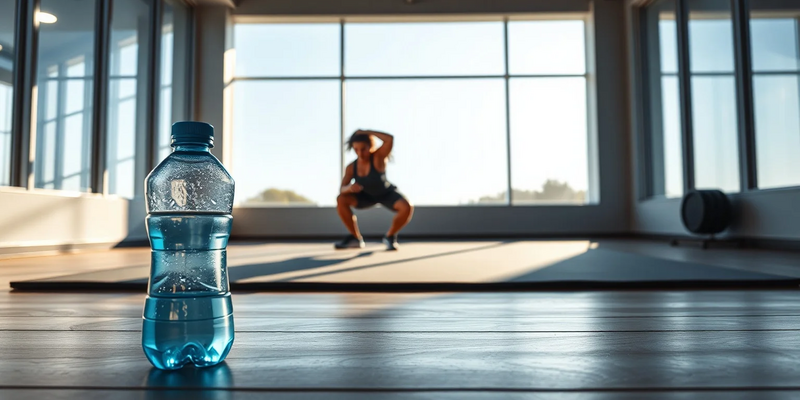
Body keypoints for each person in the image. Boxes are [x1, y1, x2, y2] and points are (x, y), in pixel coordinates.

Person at [335, 129, 414, 251]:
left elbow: (389, 139)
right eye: (356, 150)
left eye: (363, 149)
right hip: (365, 197)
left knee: (406, 207)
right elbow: (342, 189)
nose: (360, 153)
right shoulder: (351, 167)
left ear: (371, 146)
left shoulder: (378, 157)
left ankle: (390, 236)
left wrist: (367, 132)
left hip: (385, 193)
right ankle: (355, 238)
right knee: (341, 199)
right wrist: (350, 188)